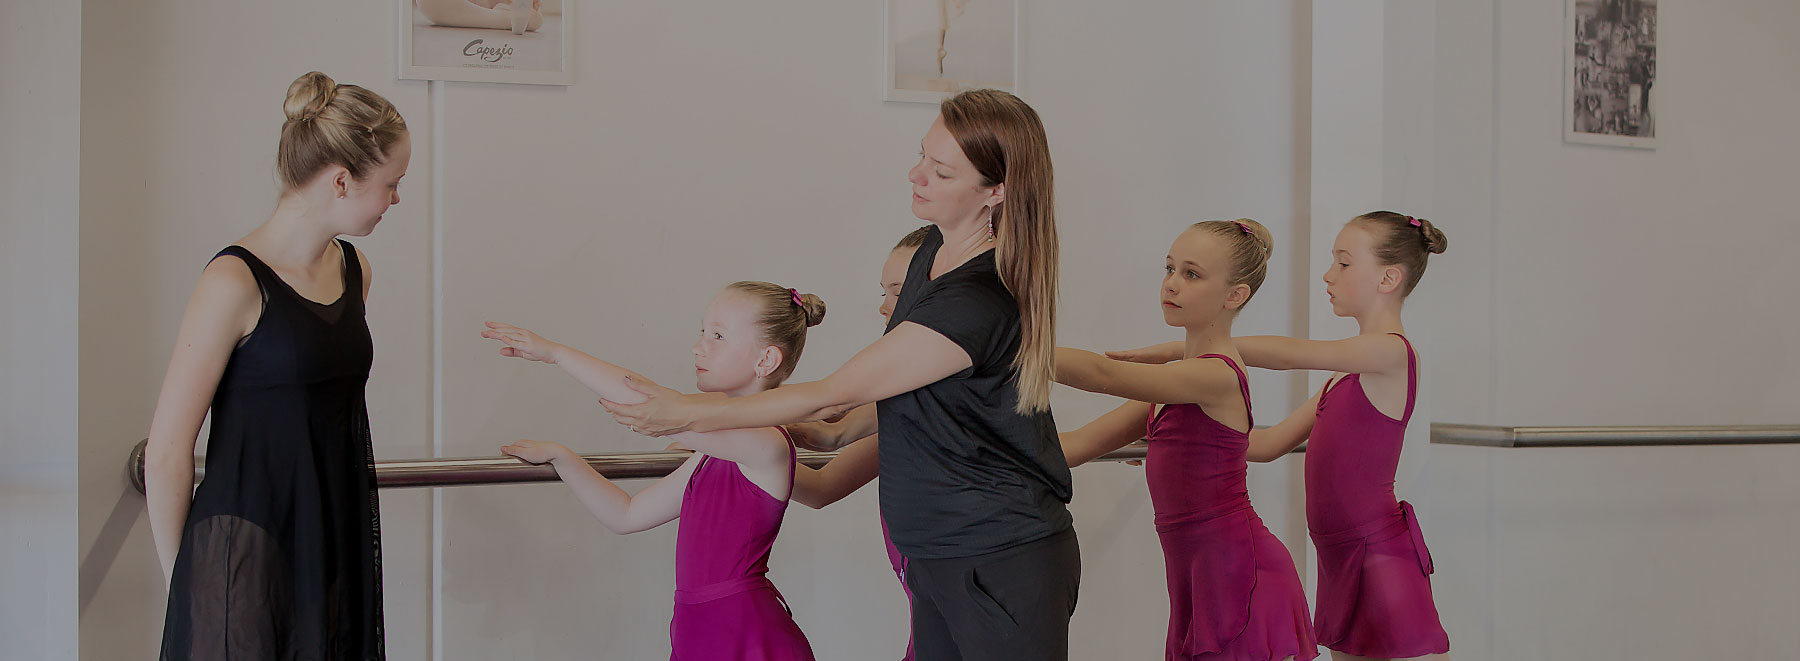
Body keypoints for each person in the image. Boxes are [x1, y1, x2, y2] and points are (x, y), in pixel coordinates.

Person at [146, 71, 410, 659]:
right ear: (342, 181)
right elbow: (167, 452)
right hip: (244, 550)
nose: (397, 199)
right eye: (391, 184)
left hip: (332, 539)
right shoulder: (233, 281)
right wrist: (184, 582)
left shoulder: (354, 270)